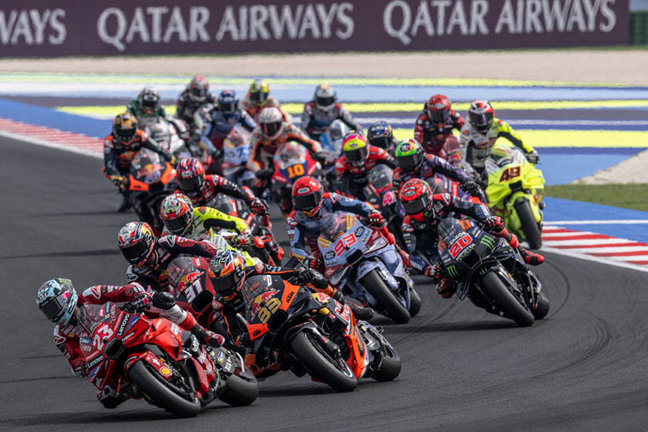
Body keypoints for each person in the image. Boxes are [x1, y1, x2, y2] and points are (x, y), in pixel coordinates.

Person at [36, 278, 224, 408]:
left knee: (161, 301)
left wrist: (136, 294)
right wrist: (81, 366)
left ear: (66, 296)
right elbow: (74, 359)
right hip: (106, 355)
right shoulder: (60, 334)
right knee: (108, 397)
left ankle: (201, 332)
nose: (52, 314)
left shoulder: (90, 294)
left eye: (53, 306)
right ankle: (150, 387)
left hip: (126, 325)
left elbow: (121, 292)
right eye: (47, 311)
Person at [206, 250, 373, 359]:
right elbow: (232, 330)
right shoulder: (221, 303)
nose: (224, 287)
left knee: (313, 284)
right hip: (263, 326)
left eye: (227, 281)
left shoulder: (253, 269)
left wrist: (299, 273)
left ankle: (351, 308)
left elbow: (278, 271)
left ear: (238, 273)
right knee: (256, 364)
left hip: (280, 299)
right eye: (218, 284)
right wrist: (239, 339)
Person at [397, 178, 544, 298]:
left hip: (464, 229)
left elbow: (472, 207)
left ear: (427, 197)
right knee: (444, 290)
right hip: (439, 252)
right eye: (409, 207)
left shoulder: (442, 199)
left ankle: (522, 252)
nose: (414, 210)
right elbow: (414, 253)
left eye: (417, 204)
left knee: (496, 226)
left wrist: (487, 218)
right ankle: (481, 295)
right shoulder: (407, 225)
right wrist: (427, 268)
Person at [289, 176, 385, 268]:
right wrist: (308, 259)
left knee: (377, 227)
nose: (307, 206)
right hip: (322, 251)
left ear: (319, 195)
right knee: (316, 276)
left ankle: (396, 252)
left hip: (347, 233)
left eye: (310, 200)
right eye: (302, 202)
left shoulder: (330, 198)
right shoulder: (294, 218)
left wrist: (370, 212)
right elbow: (296, 246)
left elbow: (356, 204)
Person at [117, 221, 221, 292]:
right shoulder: (133, 272)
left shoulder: (168, 243)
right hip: (170, 307)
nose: (134, 255)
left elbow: (196, 246)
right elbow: (139, 292)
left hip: (195, 282)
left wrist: (216, 252)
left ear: (147, 240)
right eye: (129, 252)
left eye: (137, 248)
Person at [103, 112, 176, 212]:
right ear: (115, 131)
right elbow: (109, 162)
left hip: (140, 163)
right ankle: (127, 196)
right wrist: (116, 176)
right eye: (123, 133)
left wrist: (169, 157)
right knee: (109, 173)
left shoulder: (141, 135)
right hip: (122, 166)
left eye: (129, 132)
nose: (126, 136)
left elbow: (157, 148)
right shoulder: (109, 141)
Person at [247, 107, 322, 188]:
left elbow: (310, 143)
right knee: (259, 182)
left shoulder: (289, 129)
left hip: (287, 158)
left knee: (318, 169)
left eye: (273, 126)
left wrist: (319, 154)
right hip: (268, 160)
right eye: (264, 126)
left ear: (280, 122)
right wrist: (258, 171)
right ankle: (256, 199)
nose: (269, 130)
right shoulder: (257, 134)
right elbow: (251, 158)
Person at [459, 100, 539, 173]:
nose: (482, 122)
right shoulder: (466, 131)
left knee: (507, 153)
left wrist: (530, 151)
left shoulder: (499, 125)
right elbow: (462, 155)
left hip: (491, 161)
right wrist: (470, 171)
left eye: (486, 117)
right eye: (477, 118)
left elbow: (516, 139)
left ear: (492, 114)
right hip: (473, 165)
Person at [174, 157, 268, 214]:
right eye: (185, 183)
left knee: (248, 193)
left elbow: (236, 190)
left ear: (202, 176)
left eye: (193, 182)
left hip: (223, 215)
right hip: (199, 230)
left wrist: (251, 201)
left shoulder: (213, 180)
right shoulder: (177, 197)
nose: (190, 187)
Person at [392, 139, 480, 198]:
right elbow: (399, 199)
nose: (408, 164)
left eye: (412, 159)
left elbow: (452, 170)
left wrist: (466, 179)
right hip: (417, 204)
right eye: (404, 161)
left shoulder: (430, 159)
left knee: (473, 187)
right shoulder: (398, 175)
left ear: (420, 154)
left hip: (439, 193)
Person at [334, 132, 397, 199]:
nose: (358, 158)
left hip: (378, 185)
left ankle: (391, 194)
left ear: (367, 147)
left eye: (361, 152)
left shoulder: (377, 152)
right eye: (352, 155)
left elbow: (395, 165)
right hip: (357, 190)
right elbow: (338, 184)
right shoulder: (340, 163)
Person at [198, 90, 257, 159]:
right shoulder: (212, 114)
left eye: (231, 106)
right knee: (205, 161)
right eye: (225, 106)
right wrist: (213, 151)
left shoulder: (241, 113)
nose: (228, 110)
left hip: (232, 143)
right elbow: (203, 137)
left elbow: (255, 128)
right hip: (214, 145)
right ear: (220, 104)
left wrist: (252, 144)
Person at [414, 94, 465, 163]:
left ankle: (457, 166)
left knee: (453, 140)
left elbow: (467, 131)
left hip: (448, 150)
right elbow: (418, 144)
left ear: (449, 111)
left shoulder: (454, 117)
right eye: (435, 115)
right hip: (430, 152)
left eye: (443, 114)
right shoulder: (422, 121)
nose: (439, 118)